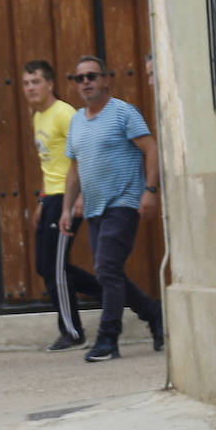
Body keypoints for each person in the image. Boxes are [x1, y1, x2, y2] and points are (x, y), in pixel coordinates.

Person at [59, 56, 165, 363]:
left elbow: (151, 148)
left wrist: (150, 190)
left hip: (124, 202)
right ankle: (152, 313)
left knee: (106, 268)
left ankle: (108, 338)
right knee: (110, 271)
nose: (85, 82)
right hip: (93, 209)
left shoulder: (123, 113)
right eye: (79, 78)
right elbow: (74, 169)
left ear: (106, 80)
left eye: (91, 76)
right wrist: (67, 209)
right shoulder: (77, 121)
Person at [22, 59, 101, 352]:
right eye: (26, 83)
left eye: (36, 82)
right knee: (47, 266)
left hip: (69, 196)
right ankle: (107, 293)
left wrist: (79, 197)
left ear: (50, 84)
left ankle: (72, 332)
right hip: (52, 198)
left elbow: (84, 155)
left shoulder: (63, 114)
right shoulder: (38, 116)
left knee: (55, 268)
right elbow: (49, 165)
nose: (30, 88)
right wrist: (42, 200)